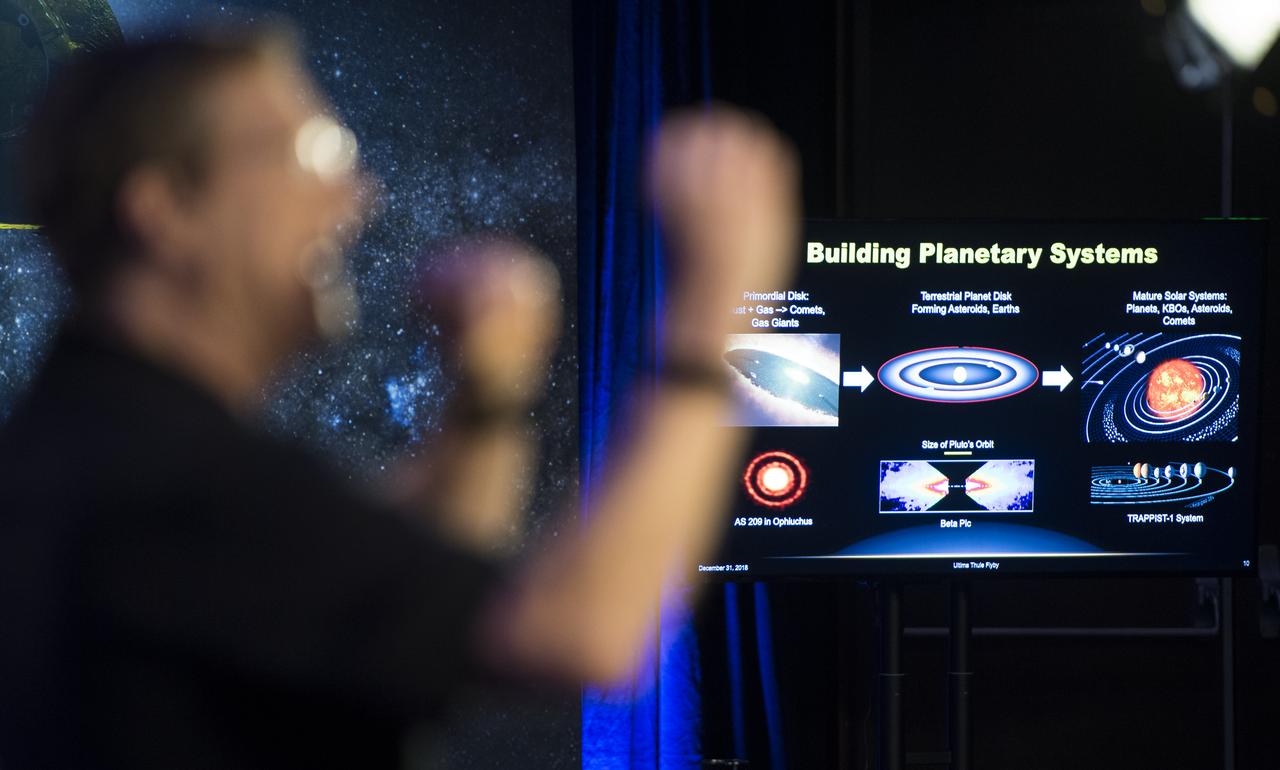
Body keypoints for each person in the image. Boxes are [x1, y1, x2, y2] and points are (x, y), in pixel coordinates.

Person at [0, 23, 799, 770]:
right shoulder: (165, 478)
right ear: (164, 210)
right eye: (309, 153)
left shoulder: (103, 441)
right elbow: (584, 631)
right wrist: (713, 314)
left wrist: (484, 400)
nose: (355, 198)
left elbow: (417, 579)